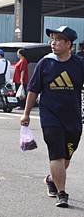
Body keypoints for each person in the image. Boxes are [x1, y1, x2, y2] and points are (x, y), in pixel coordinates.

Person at [21, 26, 84, 208]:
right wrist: (26, 113)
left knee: (65, 158)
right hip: (50, 118)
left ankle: (51, 179)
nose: (53, 43)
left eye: (57, 39)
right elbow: (33, 90)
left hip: (73, 118)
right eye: (52, 39)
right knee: (56, 155)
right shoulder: (45, 63)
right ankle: (62, 193)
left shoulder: (79, 64)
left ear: (68, 44)